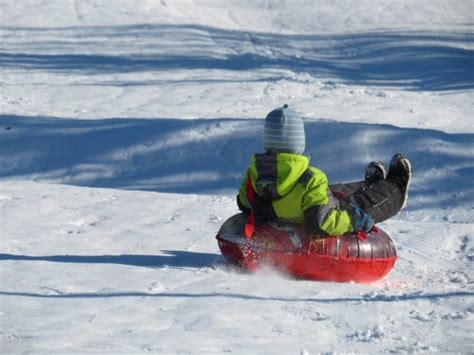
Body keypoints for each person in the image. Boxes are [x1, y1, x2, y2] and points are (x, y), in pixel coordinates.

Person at [236, 104, 412, 237]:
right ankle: (395, 190)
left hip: (297, 213)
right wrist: (353, 220)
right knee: (360, 204)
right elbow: (322, 222)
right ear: (299, 143)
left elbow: (244, 203)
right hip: (314, 217)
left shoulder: (254, 174)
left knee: (334, 191)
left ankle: (370, 185)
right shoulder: (311, 178)